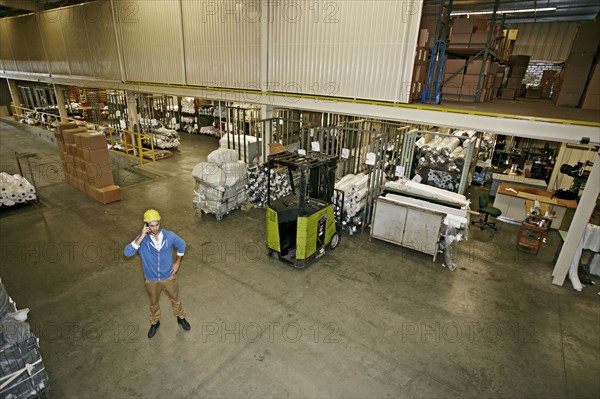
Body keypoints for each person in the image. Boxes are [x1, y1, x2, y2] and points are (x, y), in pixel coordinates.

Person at [124, 209, 191, 338]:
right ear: (146, 225)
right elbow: (127, 252)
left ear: (160, 223)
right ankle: (155, 322)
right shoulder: (142, 240)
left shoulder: (169, 236)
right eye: (151, 225)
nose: (155, 228)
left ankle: (181, 317)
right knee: (153, 303)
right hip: (151, 279)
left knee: (175, 299)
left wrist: (177, 263)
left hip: (168, 276)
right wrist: (142, 236)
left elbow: (182, 244)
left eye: (157, 225)